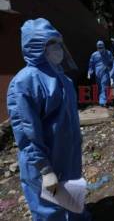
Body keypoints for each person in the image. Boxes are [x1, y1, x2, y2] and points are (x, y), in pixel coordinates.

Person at [6, 18, 90, 220]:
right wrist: (44, 169)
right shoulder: (24, 82)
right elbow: (26, 130)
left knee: (73, 196)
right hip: (46, 163)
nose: (58, 48)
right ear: (35, 47)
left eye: (57, 42)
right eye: (50, 43)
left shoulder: (64, 78)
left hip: (68, 158)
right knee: (49, 211)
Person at [87, 40, 113, 107]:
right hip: (97, 73)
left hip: (105, 72)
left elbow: (111, 63)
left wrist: (110, 69)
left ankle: (102, 101)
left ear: (104, 46)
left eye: (101, 47)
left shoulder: (108, 53)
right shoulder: (94, 55)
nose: (100, 49)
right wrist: (90, 72)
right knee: (100, 87)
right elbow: (91, 64)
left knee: (104, 85)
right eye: (99, 48)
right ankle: (104, 99)